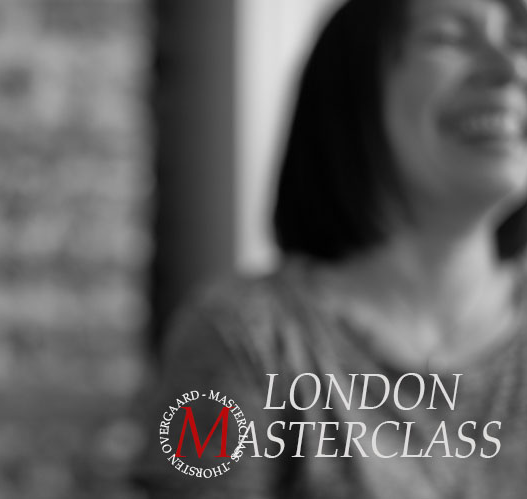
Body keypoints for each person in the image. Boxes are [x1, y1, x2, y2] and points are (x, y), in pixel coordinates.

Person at [135, 0, 527, 497]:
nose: (510, 67)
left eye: (519, 43)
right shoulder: (248, 340)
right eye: (449, 37)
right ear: (352, 88)